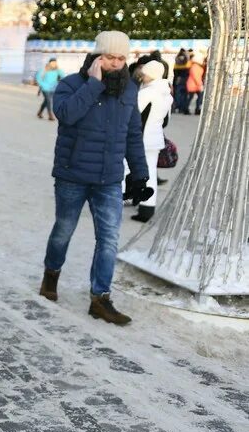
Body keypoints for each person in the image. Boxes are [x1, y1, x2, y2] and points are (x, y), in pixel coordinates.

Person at [38, 31, 150, 325]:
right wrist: (93, 83)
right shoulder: (72, 84)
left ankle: (100, 298)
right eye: (110, 57)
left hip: (109, 179)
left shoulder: (129, 91)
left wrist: (139, 174)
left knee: (109, 239)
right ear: (97, 56)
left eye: (121, 58)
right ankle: (51, 275)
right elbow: (66, 114)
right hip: (72, 175)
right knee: (63, 231)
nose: (115, 63)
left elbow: (132, 134)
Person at [129, 60, 173, 223]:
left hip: (140, 139)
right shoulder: (166, 93)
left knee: (129, 168)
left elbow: (132, 112)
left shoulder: (148, 92)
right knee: (151, 174)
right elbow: (166, 120)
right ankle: (147, 207)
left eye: (145, 72)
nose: (142, 75)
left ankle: (129, 198)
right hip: (155, 138)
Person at [186, 49, 207, 115]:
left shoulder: (195, 66)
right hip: (194, 84)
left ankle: (194, 109)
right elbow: (196, 76)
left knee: (193, 97)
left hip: (194, 84)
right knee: (196, 97)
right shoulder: (195, 66)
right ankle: (194, 109)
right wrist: (200, 84)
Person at [172, 49, 190, 113]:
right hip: (184, 79)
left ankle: (176, 107)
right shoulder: (187, 60)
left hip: (177, 79)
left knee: (177, 94)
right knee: (184, 94)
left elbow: (175, 71)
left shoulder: (177, 60)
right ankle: (181, 108)